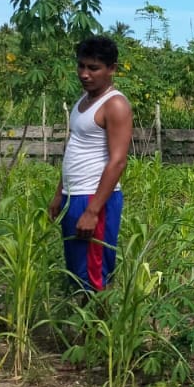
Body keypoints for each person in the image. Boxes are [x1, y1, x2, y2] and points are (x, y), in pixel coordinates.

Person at [47, 36, 133, 293]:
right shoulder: (83, 102)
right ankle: (85, 331)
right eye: (81, 66)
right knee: (77, 272)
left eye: (93, 68)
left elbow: (118, 162)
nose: (84, 74)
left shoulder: (115, 104)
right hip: (73, 196)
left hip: (95, 200)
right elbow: (75, 151)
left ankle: (101, 332)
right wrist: (59, 194)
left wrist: (93, 211)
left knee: (96, 277)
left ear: (112, 69)